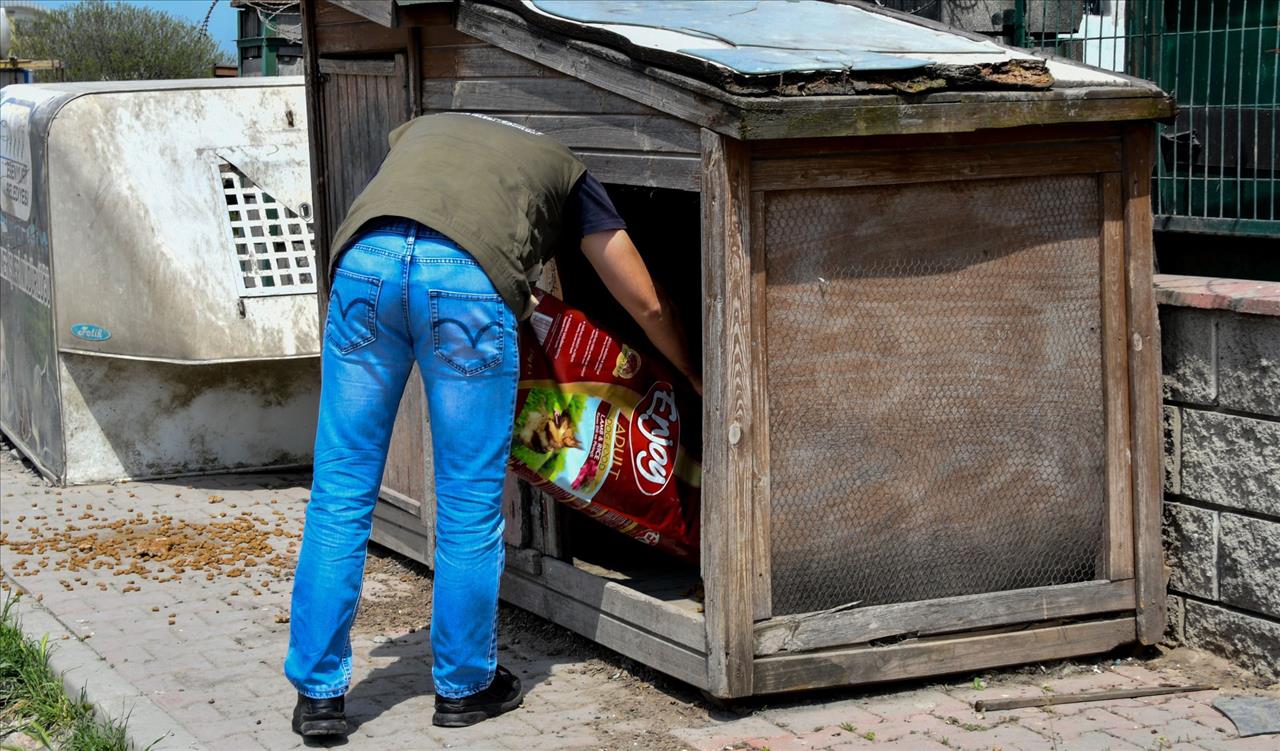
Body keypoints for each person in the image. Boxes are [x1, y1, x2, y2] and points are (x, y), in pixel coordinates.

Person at [283, 112, 699, 736]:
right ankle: (464, 686)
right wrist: (691, 372)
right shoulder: (567, 171)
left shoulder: (419, 129)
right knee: (468, 499)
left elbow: (409, 216)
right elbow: (643, 299)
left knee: (339, 490)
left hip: (364, 266)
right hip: (465, 284)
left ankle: (319, 695)